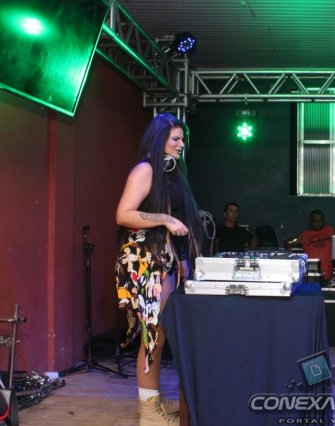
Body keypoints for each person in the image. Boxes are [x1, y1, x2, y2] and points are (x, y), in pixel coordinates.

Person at [115, 113, 203, 426]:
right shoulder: (145, 169)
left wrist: (182, 258)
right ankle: (149, 413)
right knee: (153, 335)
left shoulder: (169, 174)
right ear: (158, 140)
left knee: (159, 333)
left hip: (162, 259)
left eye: (182, 140)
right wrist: (165, 219)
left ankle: (152, 398)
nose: (181, 145)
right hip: (143, 261)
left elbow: (172, 225)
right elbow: (123, 214)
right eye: (175, 139)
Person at [298, 210, 335, 281]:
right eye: (315, 221)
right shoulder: (305, 234)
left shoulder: (330, 230)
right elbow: (288, 243)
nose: (318, 224)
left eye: (320, 221)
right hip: (310, 275)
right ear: (311, 222)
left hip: (328, 276)